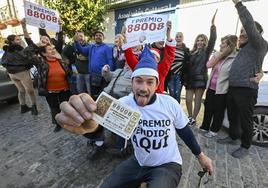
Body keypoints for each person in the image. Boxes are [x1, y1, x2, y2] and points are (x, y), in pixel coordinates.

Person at [55, 45, 213, 188]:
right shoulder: (122, 103)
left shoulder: (170, 104)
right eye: (138, 81)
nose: (143, 88)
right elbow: (100, 130)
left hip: (167, 165)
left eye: (150, 82)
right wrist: (89, 129)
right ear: (132, 82)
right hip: (139, 162)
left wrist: (201, 156)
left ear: (156, 84)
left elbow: (184, 131)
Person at [217, 0, 268, 159]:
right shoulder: (243, 49)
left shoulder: (259, 44)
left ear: (256, 33)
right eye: (240, 31)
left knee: (246, 119)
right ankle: (233, 137)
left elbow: (249, 24)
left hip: (247, 89)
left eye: (245, 30)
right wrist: (261, 73)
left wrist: (239, 4)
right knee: (233, 116)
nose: (242, 33)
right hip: (234, 87)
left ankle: (245, 146)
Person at [199, 35, 238, 138]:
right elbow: (208, 65)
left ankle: (214, 130)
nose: (220, 45)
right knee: (208, 108)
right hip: (211, 87)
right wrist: (220, 55)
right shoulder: (217, 54)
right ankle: (205, 126)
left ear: (230, 46)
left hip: (222, 90)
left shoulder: (234, 58)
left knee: (218, 111)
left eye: (223, 43)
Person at [123, 21, 176, 94]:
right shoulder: (138, 67)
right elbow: (129, 56)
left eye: (155, 56)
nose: (152, 57)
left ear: (158, 60)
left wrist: (168, 36)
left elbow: (169, 57)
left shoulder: (161, 70)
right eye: (151, 55)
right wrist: (125, 38)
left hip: (156, 102)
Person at [184, 11, 217, 126]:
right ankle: (189, 115)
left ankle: (193, 118)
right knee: (188, 99)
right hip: (190, 79)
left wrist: (213, 26)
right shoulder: (191, 52)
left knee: (197, 100)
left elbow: (213, 39)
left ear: (205, 42)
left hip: (200, 79)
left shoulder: (206, 51)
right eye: (198, 40)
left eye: (202, 40)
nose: (200, 42)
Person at [1, 21, 38, 115]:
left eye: (19, 39)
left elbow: (3, 61)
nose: (20, 40)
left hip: (12, 74)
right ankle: (34, 107)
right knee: (30, 90)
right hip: (21, 72)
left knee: (21, 90)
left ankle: (23, 106)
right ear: (12, 41)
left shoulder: (7, 50)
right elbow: (27, 57)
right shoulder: (18, 49)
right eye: (17, 39)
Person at [38, 44, 72, 132]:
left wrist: (62, 60)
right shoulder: (41, 62)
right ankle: (58, 123)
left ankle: (68, 122)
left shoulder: (60, 60)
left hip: (64, 89)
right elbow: (27, 54)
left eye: (53, 48)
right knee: (54, 108)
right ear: (44, 53)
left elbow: (68, 72)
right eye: (49, 50)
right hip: (50, 91)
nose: (53, 50)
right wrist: (37, 45)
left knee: (65, 106)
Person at [74, 31, 114, 99]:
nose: (98, 37)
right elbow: (82, 50)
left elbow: (110, 60)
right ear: (94, 37)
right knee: (93, 96)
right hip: (93, 76)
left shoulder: (107, 47)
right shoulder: (91, 46)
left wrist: (110, 73)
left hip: (103, 77)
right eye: (96, 35)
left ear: (103, 37)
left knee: (102, 96)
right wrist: (76, 42)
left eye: (100, 35)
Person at [167, 32, 190, 103]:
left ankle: (177, 112)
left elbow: (187, 63)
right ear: (175, 38)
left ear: (183, 38)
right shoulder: (171, 47)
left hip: (179, 75)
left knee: (177, 94)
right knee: (171, 94)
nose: (178, 38)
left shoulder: (186, 50)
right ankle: (170, 112)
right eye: (177, 37)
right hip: (170, 74)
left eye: (180, 37)